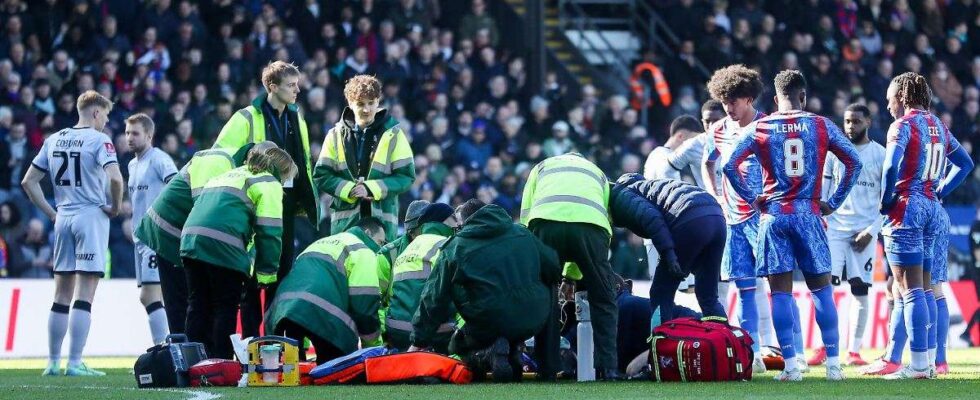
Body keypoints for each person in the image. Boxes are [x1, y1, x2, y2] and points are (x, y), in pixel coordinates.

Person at [725, 69, 862, 382]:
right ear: (804, 96)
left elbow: (728, 165)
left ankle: (790, 367)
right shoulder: (821, 125)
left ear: (775, 99)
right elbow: (854, 161)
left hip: (774, 217)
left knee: (781, 294)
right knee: (821, 290)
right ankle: (833, 366)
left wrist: (753, 198)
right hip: (809, 214)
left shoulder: (761, 126)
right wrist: (835, 200)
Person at [212, 60, 320, 337]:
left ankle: (275, 339)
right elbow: (221, 156)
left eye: (297, 84)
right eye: (291, 85)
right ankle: (251, 341)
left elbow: (304, 163)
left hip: (284, 206)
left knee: (281, 277)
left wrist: (308, 202)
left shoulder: (297, 118)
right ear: (272, 86)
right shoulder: (246, 117)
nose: (297, 90)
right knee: (252, 278)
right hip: (252, 205)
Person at [877, 72, 973, 379]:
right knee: (930, 290)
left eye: (890, 97)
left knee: (910, 290)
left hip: (908, 208)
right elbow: (966, 164)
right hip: (934, 208)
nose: (888, 103)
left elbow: (892, 165)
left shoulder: (902, 125)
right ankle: (930, 361)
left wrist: (886, 200)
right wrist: (941, 189)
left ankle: (917, 366)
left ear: (902, 98)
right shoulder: (939, 126)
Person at [22, 90, 124, 376]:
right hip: (90, 215)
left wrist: (52, 213)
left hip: (63, 217)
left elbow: (29, 182)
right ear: (95, 112)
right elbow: (116, 178)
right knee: (85, 292)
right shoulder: (99, 140)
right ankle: (75, 362)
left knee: (61, 293)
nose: (105, 121)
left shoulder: (53, 139)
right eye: (104, 115)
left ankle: (52, 362)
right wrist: (115, 207)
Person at [409, 200, 561, 383]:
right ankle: (543, 365)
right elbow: (553, 266)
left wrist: (418, 340)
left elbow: (433, 297)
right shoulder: (523, 233)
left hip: (487, 321)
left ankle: (486, 355)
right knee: (549, 283)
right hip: (533, 318)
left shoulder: (457, 246)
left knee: (458, 344)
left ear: (464, 223)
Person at [135, 141, 278, 334]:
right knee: (187, 305)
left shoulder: (235, 168)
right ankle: (188, 357)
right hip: (170, 232)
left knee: (198, 303)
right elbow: (204, 210)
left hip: (184, 232)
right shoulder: (219, 160)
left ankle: (199, 356)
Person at [180, 146, 297, 359]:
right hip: (223, 245)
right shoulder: (268, 183)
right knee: (225, 306)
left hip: (190, 240)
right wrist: (267, 274)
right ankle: (221, 361)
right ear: (281, 172)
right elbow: (270, 232)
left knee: (197, 304)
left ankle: (192, 362)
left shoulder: (231, 174)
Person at [519, 153, 622, 380]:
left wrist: (534, 257)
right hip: (591, 227)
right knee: (603, 298)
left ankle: (547, 369)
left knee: (545, 295)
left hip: (545, 222)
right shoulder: (598, 173)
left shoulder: (542, 167)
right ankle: (609, 369)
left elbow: (526, 212)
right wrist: (572, 277)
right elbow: (606, 217)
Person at [701, 65, 771, 373]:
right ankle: (751, 352)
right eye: (724, 101)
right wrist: (714, 194)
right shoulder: (718, 130)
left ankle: (793, 353)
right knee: (744, 289)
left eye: (734, 101)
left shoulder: (768, 126)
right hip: (733, 221)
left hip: (765, 219)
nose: (728, 108)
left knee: (778, 285)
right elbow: (708, 162)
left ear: (749, 98)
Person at [809, 104, 885, 368]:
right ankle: (824, 346)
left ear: (869, 122)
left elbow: (888, 201)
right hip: (835, 231)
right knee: (825, 288)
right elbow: (824, 192)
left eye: (856, 121)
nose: (850, 126)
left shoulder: (880, 155)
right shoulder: (835, 154)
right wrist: (823, 220)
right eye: (847, 121)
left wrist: (871, 231)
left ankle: (854, 351)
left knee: (860, 291)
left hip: (863, 231)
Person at [608, 173, 726, 328]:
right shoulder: (650, 188)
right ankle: (726, 345)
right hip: (717, 217)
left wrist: (668, 254)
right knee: (708, 295)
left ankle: (661, 347)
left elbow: (652, 218)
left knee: (660, 293)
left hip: (689, 217)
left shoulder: (621, 195)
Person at [266, 218, 387, 364]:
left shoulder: (320, 243)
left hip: (284, 310)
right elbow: (364, 302)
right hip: (324, 315)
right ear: (367, 233)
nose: (380, 248)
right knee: (336, 370)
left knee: (296, 372)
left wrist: (302, 347)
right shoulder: (363, 250)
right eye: (380, 242)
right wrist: (373, 349)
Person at [314, 74, 415, 243]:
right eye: (360, 104)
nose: (366, 109)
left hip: (382, 225)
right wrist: (349, 190)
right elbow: (321, 175)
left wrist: (370, 188)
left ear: (378, 101)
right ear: (350, 103)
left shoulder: (394, 134)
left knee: (379, 268)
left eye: (371, 103)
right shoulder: (334, 135)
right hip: (345, 225)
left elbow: (406, 176)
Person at [124, 113, 178, 345]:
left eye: (135, 133)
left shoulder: (159, 159)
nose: (129, 138)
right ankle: (166, 346)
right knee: (151, 297)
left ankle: (163, 348)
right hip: (140, 239)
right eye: (127, 133)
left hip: (155, 238)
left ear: (149, 135)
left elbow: (177, 187)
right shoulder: (132, 164)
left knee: (150, 295)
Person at [385, 203, 459, 352]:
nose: (457, 222)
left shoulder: (406, 249)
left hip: (397, 331)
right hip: (434, 335)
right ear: (443, 220)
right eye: (453, 218)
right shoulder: (447, 245)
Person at [643, 115, 701, 181]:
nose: (695, 146)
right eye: (693, 141)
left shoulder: (661, 154)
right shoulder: (663, 157)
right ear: (680, 136)